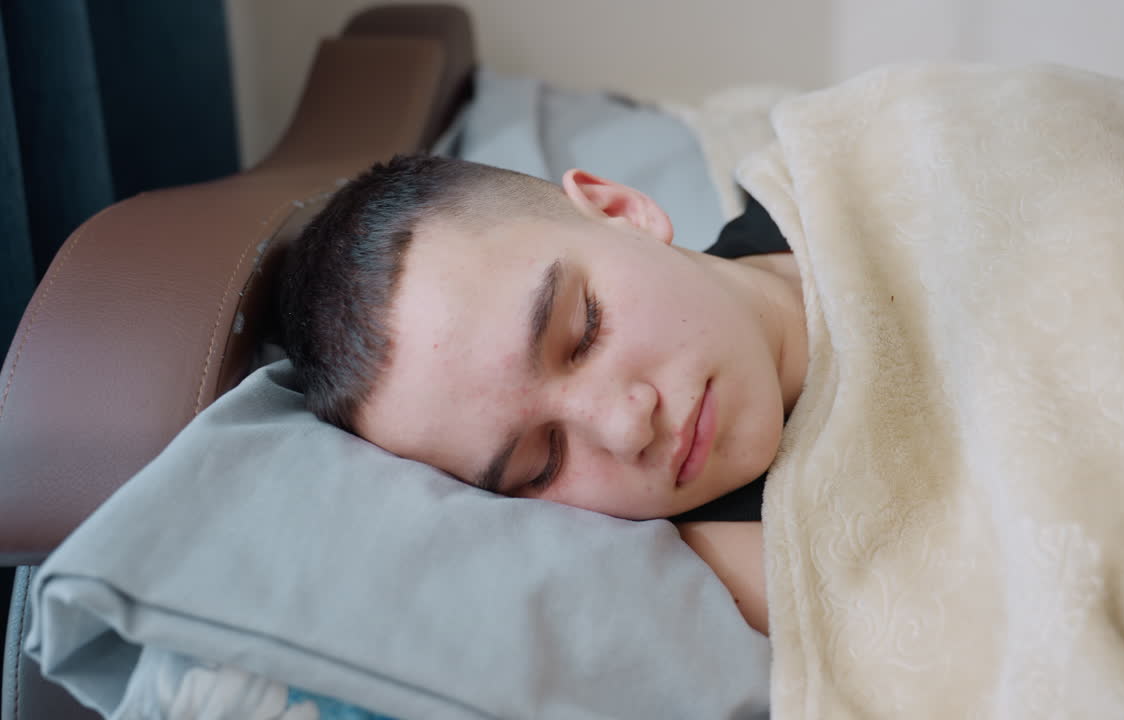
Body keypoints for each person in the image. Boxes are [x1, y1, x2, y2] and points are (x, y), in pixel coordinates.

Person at [277, 154, 808, 634]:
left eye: (585, 333)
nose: (626, 429)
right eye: (544, 461)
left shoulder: (825, 168)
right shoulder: (757, 563)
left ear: (620, 210)